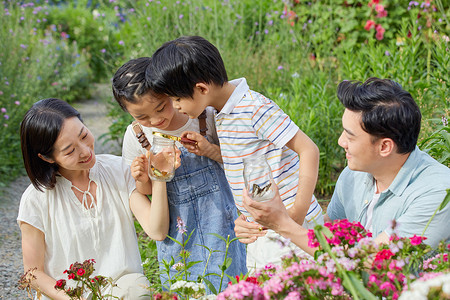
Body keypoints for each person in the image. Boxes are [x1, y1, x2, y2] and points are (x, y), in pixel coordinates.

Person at [145, 36, 324, 270]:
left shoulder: (253, 108)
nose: (175, 106)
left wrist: (296, 214)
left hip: (290, 224)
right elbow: (247, 158)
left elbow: (309, 149)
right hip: (263, 226)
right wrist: (210, 151)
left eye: (177, 99)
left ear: (201, 88)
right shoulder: (222, 112)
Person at [240, 77, 450, 254]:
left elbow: (373, 262)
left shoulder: (438, 193)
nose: (341, 142)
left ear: (385, 147)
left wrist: (282, 224)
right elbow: (328, 232)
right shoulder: (354, 175)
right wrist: (261, 226)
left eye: (350, 136)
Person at [112, 57, 247, 292]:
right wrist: (144, 178)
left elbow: (237, 165)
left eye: (161, 107)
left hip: (221, 221)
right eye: (141, 116)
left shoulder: (202, 117)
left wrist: (210, 150)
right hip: (179, 232)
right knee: (185, 287)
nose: (155, 121)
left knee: (231, 282)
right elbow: (146, 193)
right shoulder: (136, 136)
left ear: (171, 91)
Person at [17, 98, 171, 300]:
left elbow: (157, 230)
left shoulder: (117, 170)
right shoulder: (36, 199)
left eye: (84, 135)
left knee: (136, 288)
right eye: (70, 150)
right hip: (68, 296)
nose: (85, 151)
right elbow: (33, 273)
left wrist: (159, 175)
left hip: (122, 291)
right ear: (47, 158)